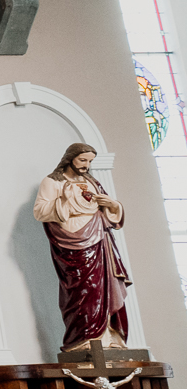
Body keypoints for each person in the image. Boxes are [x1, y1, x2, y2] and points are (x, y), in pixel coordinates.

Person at [33, 142, 132, 351]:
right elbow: (40, 211)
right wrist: (66, 200)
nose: (86, 165)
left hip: (100, 240)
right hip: (73, 245)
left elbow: (108, 211)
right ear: (70, 158)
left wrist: (113, 205)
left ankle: (109, 337)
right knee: (84, 290)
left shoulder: (91, 181)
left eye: (89, 161)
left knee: (105, 285)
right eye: (82, 160)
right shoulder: (52, 182)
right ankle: (84, 339)